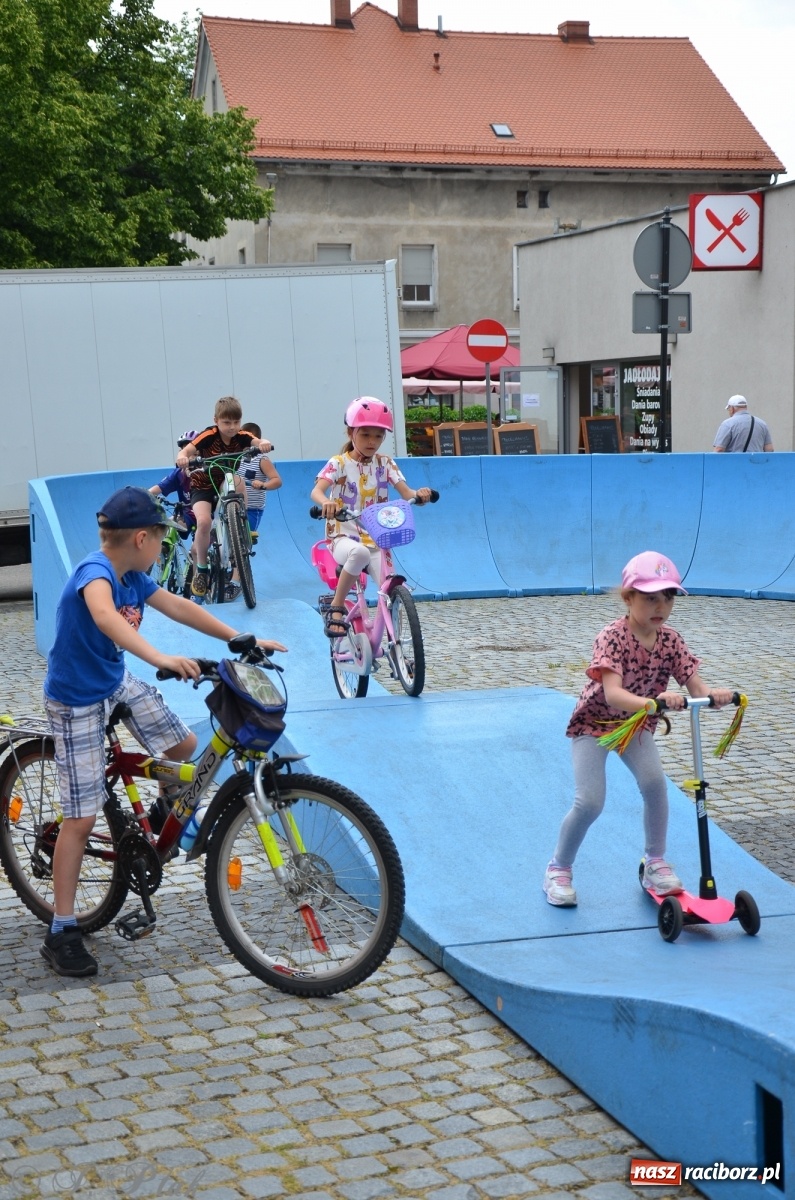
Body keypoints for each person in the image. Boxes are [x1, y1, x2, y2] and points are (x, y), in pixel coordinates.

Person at [41, 485, 287, 977]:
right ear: (140, 538)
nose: (164, 546)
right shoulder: (97, 574)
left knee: (186, 746)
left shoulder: (135, 574)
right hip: (76, 699)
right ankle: (62, 928)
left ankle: (158, 821)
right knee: (83, 817)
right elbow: (105, 617)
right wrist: (159, 658)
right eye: (161, 538)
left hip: (114, 682)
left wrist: (238, 636)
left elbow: (177, 605)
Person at [542, 550, 735, 908]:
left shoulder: (671, 640)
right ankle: (558, 868)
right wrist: (655, 701)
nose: (659, 606)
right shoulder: (612, 637)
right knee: (589, 802)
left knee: (654, 786)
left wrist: (714, 696)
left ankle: (655, 862)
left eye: (667, 597)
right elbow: (613, 695)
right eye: (649, 598)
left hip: (636, 727)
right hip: (596, 724)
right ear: (628, 597)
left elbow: (696, 687)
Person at [309, 397, 432, 637]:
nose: (372, 442)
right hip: (343, 534)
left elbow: (407, 492)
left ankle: (397, 648)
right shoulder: (339, 463)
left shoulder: (385, 463)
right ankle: (337, 606)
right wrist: (327, 503)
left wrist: (421, 494)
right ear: (351, 432)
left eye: (378, 436)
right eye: (365, 434)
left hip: (378, 536)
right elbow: (316, 491)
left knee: (393, 585)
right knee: (360, 553)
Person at [176, 398, 272, 602]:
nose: (232, 427)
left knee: (236, 478)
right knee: (203, 522)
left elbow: (257, 441)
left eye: (236, 422)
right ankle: (201, 570)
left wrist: (263, 444)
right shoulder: (208, 436)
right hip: (203, 486)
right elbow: (187, 450)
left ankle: (242, 523)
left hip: (225, 484)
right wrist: (183, 456)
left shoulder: (242, 436)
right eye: (227, 422)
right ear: (216, 421)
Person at [240, 421, 282, 542]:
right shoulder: (235, 458)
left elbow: (277, 480)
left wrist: (263, 485)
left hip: (252, 509)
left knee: (244, 539)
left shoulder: (261, 459)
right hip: (235, 507)